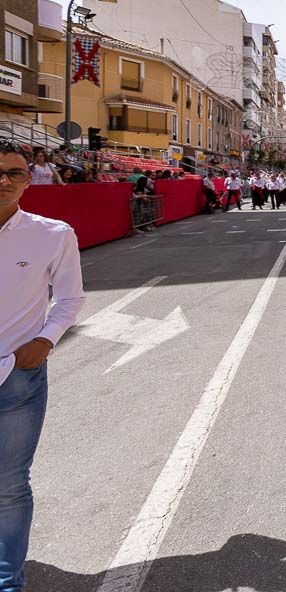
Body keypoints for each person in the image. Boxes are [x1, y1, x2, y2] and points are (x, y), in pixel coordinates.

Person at [0, 140, 86, 592]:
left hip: (17, 377)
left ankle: (7, 580)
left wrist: (45, 341)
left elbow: (70, 296)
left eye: (15, 172)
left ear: (29, 178)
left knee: (9, 486)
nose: (5, 181)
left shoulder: (53, 233)